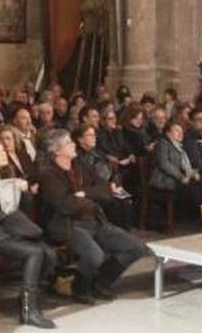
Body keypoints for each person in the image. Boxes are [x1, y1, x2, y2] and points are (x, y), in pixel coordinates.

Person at [38, 130, 148, 304]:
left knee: (136, 248)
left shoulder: (80, 166)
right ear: (57, 151)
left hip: (94, 219)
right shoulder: (48, 174)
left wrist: (85, 193)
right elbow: (65, 204)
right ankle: (79, 288)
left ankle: (100, 282)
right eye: (68, 143)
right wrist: (90, 198)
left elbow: (106, 189)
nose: (74, 144)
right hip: (68, 224)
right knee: (94, 255)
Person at [0, 141, 56, 329]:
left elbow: (20, 208)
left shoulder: (7, 174)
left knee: (49, 254)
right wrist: (1, 216)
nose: (3, 154)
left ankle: (25, 299)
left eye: (3, 151)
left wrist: (25, 192)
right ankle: (29, 310)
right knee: (34, 253)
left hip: (14, 228)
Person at [149, 121, 202, 213]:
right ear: (168, 133)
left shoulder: (180, 147)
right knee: (195, 191)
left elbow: (185, 167)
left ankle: (200, 218)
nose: (181, 133)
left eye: (181, 131)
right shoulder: (163, 143)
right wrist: (180, 176)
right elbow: (164, 163)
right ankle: (199, 218)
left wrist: (193, 173)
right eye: (177, 131)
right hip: (165, 181)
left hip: (178, 180)